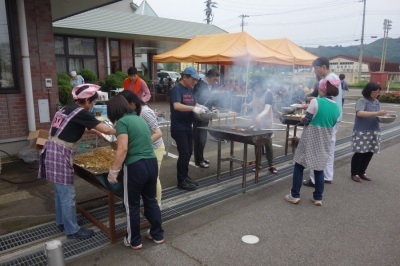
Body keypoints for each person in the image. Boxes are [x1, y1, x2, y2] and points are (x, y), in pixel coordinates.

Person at [38, 84, 116, 239]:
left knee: (60, 193)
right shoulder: (81, 112)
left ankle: (62, 222)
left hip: (50, 150)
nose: (92, 106)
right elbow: (107, 129)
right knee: (67, 195)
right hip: (59, 154)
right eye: (92, 103)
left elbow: (74, 126)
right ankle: (73, 231)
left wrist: (94, 131)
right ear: (86, 100)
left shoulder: (67, 108)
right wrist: (124, 128)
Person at [107, 95, 164, 250]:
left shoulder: (122, 122)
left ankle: (134, 240)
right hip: (151, 163)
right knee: (150, 200)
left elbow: (123, 148)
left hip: (135, 166)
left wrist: (114, 171)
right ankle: (157, 234)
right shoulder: (140, 119)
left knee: (131, 205)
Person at [285, 78, 341, 206]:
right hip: (324, 140)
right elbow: (332, 123)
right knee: (319, 168)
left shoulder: (316, 101)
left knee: (299, 165)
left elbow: (306, 120)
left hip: (309, 138)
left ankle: (294, 195)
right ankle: (318, 197)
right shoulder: (337, 107)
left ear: (322, 89)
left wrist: (303, 118)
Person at [119, 90, 165, 206]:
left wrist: (141, 144)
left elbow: (158, 133)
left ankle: (157, 204)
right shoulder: (134, 112)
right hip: (142, 149)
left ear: (133, 103)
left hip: (154, 147)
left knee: (154, 177)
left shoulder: (145, 112)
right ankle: (143, 201)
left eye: (125, 106)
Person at [303, 57, 343, 187]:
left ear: (323, 67)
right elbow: (329, 98)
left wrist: (311, 103)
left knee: (317, 149)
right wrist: (314, 99)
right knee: (328, 148)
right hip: (334, 116)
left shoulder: (326, 80)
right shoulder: (335, 78)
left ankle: (314, 179)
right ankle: (327, 176)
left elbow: (322, 100)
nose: (315, 71)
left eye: (316, 68)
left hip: (323, 118)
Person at [170, 66, 206, 191]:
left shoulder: (190, 89)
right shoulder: (176, 89)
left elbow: (193, 103)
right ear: (184, 77)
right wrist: (193, 109)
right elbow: (176, 105)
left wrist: (202, 107)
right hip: (178, 127)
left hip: (187, 126)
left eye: (196, 80)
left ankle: (185, 176)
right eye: (193, 79)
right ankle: (181, 181)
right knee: (184, 153)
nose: (194, 82)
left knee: (188, 152)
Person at [350, 82, 387, 182]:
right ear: (368, 91)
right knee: (360, 153)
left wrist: (382, 117)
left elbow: (377, 116)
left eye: (378, 92)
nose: (376, 94)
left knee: (369, 152)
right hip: (362, 131)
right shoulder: (362, 101)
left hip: (374, 130)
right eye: (374, 92)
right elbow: (360, 113)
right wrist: (377, 113)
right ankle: (354, 173)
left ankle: (362, 172)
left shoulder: (376, 102)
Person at [244, 81, 278, 174]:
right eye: (255, 86)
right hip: (256, 123)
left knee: (268, 146)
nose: (256, 88)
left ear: (262, 86)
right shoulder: (255, 93)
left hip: (266, 123)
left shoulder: (268, 93)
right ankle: (258, 165)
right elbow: (253, 103)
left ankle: (271, 165)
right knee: (257, 144)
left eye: (258, 86)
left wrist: (260, 115)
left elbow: (267, 109)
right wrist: (248, 105)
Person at [193, 69, 220, 168]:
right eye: (214, 79)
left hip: (206, 113)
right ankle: (198, 160)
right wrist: (201, 107)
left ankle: (201, 157)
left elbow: (211, 99)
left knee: (203, 137)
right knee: (198, 138)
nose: (215, 82)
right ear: (208, 77)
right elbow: (194, 99)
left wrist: (212, 107)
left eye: (217, 80)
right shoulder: (199, 85)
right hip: (199, 114)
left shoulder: (210, 86)